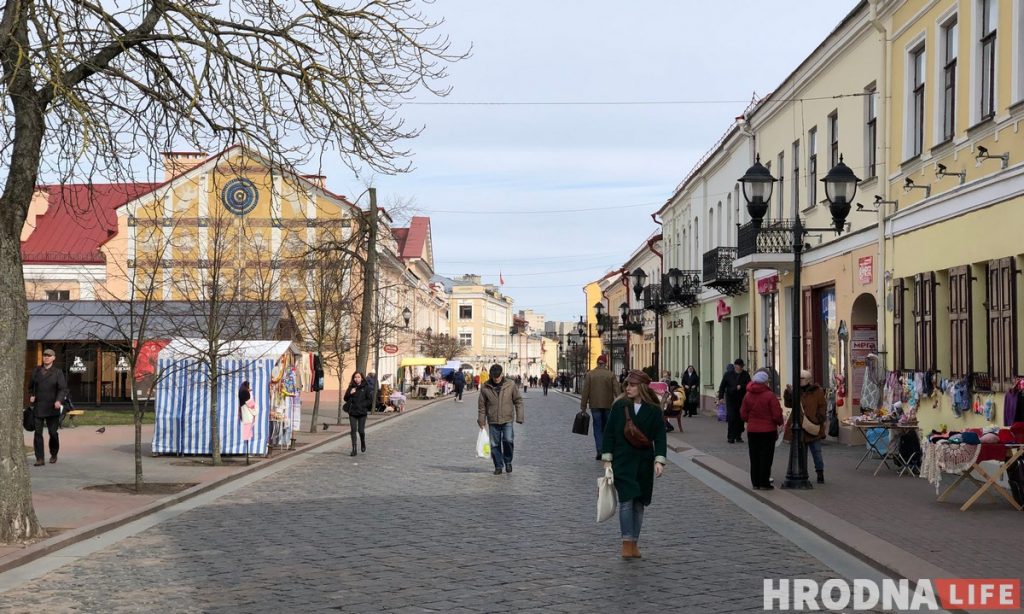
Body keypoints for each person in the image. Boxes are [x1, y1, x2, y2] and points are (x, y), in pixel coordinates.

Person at [601, 370, 667, 560]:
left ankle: (634, 542)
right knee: (626, 501)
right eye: (627, 385)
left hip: (644, 462)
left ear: (643, 388)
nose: (627, 388)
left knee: (639, 503)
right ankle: (626, 543)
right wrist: (607, 459)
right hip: (623, 461)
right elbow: (609, 434)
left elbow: (660, 437)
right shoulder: (619, 406)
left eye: (632, 385)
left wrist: (659, 460)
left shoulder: (654, 410)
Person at [740, 370, 784, 490]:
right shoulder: (770, 396)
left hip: (752, 430)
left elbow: (743, 414)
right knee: (766, 457)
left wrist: (750, 421)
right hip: (768, 431)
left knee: (754, 457)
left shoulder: (748, 395)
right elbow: (776, 414)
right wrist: (780, 422)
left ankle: (755, 483)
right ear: (765, 382)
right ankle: (764, 483)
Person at [477, 364, 524, 475]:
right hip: (493, 419)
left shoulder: (510, 385)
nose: (497, 379)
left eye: (498, 376)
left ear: (502, 374)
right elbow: (482, 406)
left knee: (508, 440)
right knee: (494, 444)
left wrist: (519, 416)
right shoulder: (485, 387)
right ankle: (498, 465)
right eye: (494, 377)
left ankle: (508, 461)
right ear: (491, 376)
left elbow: (518, 400)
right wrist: (481, 421)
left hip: (507, 418)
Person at [783, 369, 828, 484]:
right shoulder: (795, 390)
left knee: (816, 452)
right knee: (800, 453)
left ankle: (820, 472)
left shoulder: (817, 391)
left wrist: (818, 418)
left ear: (808, 380)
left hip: (813, 426)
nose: (799, 380)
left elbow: (822, 406)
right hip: (799, 428)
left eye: (801, 378)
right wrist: (788, 393)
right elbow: (788, 404)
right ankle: (802, 473)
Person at [28, 348, 68, 466]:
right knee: (38, 433)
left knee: (53, 433)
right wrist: (31, 396)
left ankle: (54, 453)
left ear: (53, 358)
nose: (46, 357)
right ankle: (39, 458)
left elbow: (63, 389)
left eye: (49, 356)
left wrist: (58, 401)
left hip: (52, 407)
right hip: (39, 406)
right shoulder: (36, 371)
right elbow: (30, 387)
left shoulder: (57, 372)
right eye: (45, 355)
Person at [580, 354, 620, 461]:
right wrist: (621, 403)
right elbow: (617, 391)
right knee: (607, 428)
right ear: (606, 363)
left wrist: (583, 406)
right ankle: (607, 450)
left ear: (598, 362)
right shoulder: (610, 374)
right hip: (608, 405)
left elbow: (585, 391)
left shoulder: (590, 374)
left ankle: (599, 449)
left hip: (595, 405)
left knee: (597, 427)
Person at [718, 358, 751, 444]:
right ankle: (731, 437)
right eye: (739, 366)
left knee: (740, 418)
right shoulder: (728, 374)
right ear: (736, 366)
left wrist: (742, 386)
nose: (740, 368)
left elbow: (749, 385)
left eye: (742, 366)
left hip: (742, 399)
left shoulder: (745, 375)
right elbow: (722, 387)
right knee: (732, 417)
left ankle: (738, 436)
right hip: (731, 399)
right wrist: (720, 397)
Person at [343, 371, 374, 456]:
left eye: (358, 377)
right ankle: (354, 449)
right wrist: (350, 393)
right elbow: (345, 398)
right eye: (355, 377)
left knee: (361, 430)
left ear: (362, 378)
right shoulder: (351, 387)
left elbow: (370, 400)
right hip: (352, 412)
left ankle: (363, 442)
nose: (356, 379)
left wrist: (362, 405)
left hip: (362, 412)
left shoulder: (366, 387)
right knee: (353, 430)